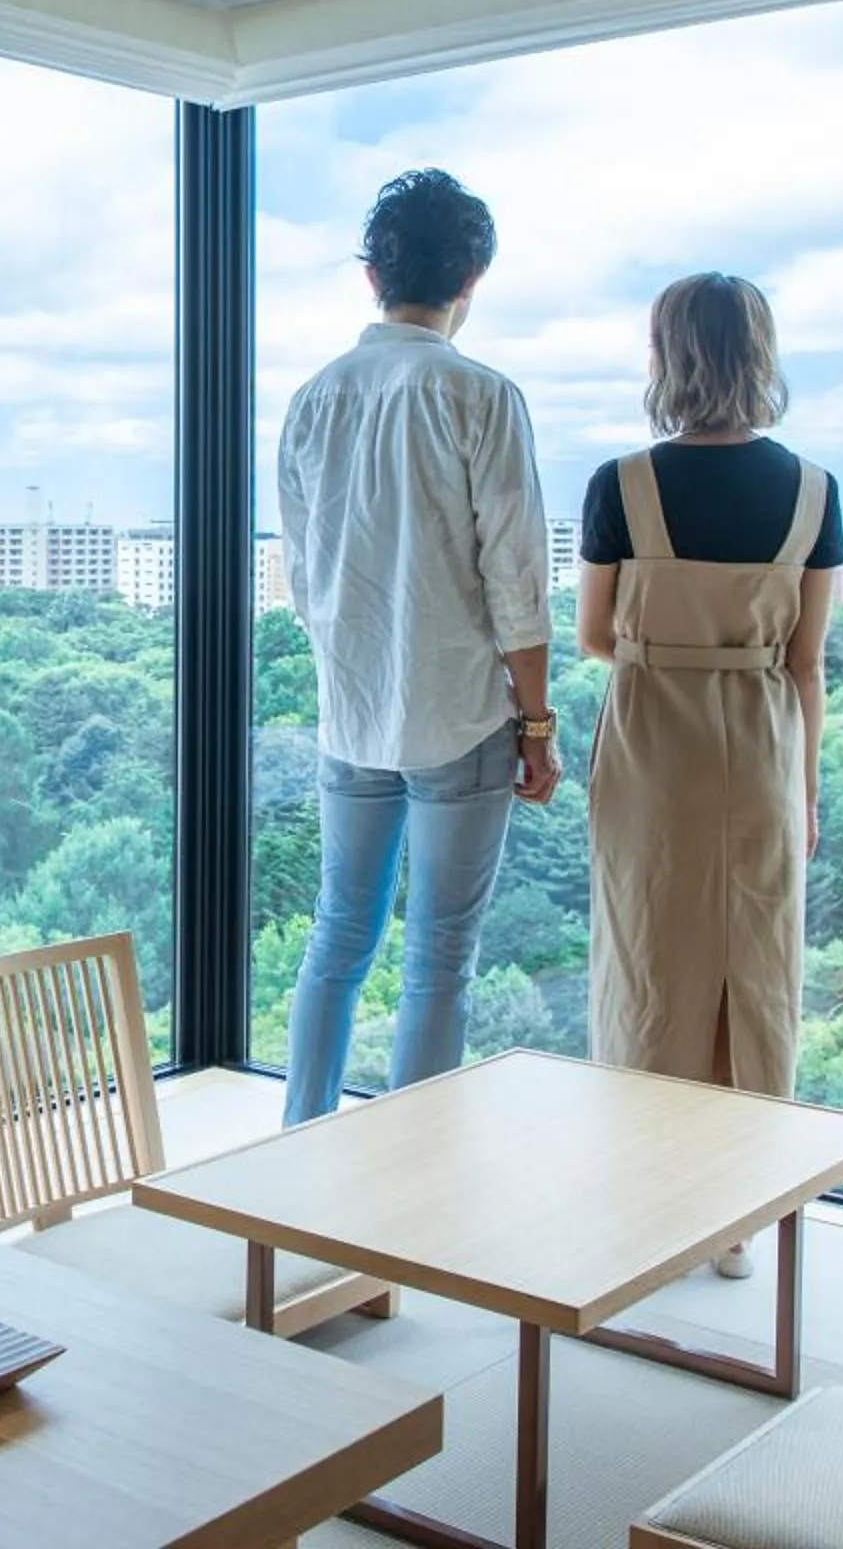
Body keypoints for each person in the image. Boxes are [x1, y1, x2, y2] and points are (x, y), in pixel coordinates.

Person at [275, 168, 560, 1126]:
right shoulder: (480, 394)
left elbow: (306, 577)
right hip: (464, 715)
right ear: (474, 272)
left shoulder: (315, 399)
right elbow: (515, 582)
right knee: (441, 955)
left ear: (371, 275)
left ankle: (299, 1139)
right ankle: (414, 1171)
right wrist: (538, 725)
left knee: (337, 934)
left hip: (349, 714)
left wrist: (352, 668)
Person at [578, 272, 842, 1277]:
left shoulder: (623, 485)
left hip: (651, 751)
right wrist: (804, 787)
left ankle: (649, 1201)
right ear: (760, 355)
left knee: (648, 964)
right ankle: (738, 1216)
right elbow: (807, 660)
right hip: (766, 749)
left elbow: (597, 635)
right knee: (756, 975)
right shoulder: (814, 491)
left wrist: (672, 651)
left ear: (667, 357)